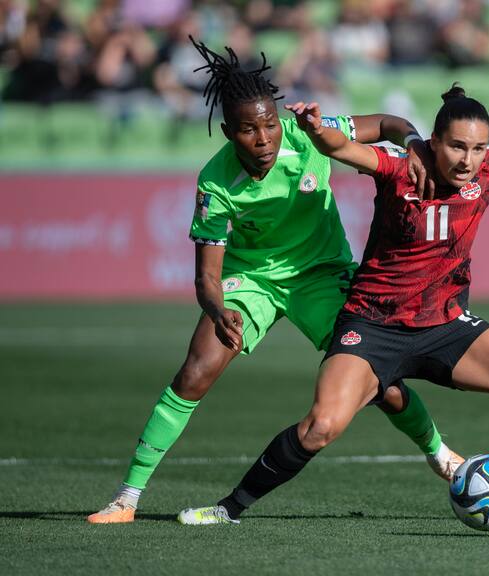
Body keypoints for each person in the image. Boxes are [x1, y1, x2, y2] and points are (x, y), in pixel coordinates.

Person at [178, 72, 489, 525]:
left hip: (446, 326)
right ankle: (228, 508)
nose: (469, 160)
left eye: (478, 148)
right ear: (432, 143)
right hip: (371, 328)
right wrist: (315, 129)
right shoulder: (399, 169)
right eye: (457, 147)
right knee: (320, 427)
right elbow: (341, 149)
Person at [86, 36, 461, 524]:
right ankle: (127, 499)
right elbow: (208, 278)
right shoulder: (215, 184)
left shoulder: (305, 133)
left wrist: (413, 144)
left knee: (383, 383)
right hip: (253, 282)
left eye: (268, 126)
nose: (264, 139)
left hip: (321, 273)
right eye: (249, 130)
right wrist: (219, 311)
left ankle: (439, 453)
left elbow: (390, 124)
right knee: (196, 371)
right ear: (228, 132)